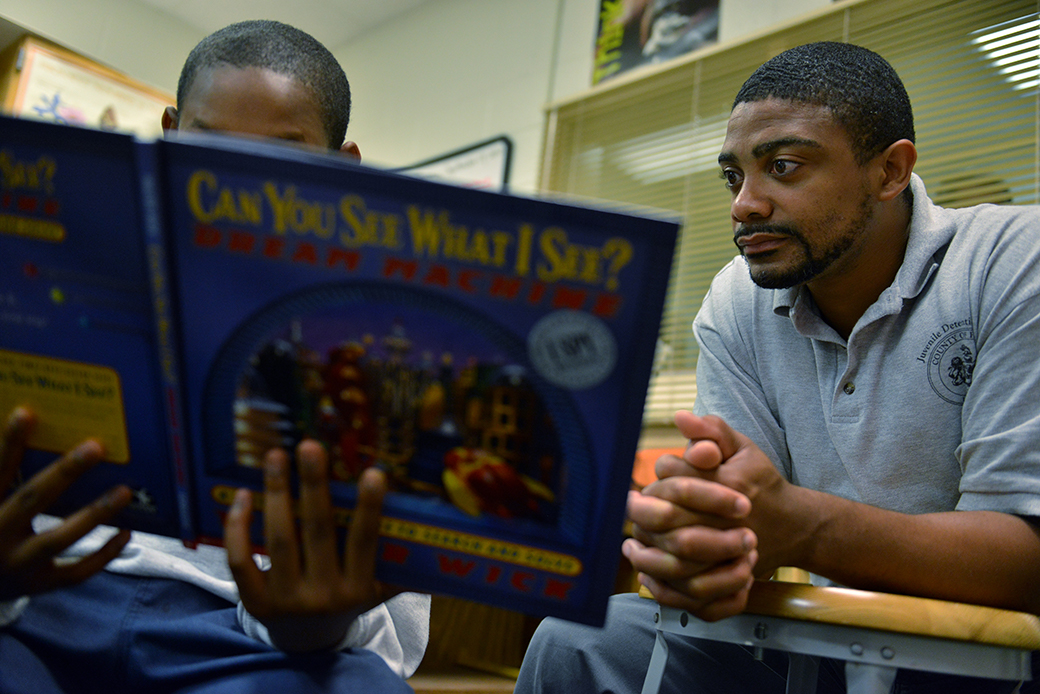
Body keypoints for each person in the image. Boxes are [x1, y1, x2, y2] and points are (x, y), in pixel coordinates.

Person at [515, 41, 1040, 694]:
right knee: (583, 637)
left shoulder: (1012, 261)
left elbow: (1026, 563)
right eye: (734, 177)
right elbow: (745, 535)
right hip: (823, 643)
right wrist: (691, 544)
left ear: (889, 171)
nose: (744, 205)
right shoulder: (738, 298)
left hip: (994, 654)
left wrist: (806, 526)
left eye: (783, 167)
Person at [0, 20, 428, 694]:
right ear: (170, 133)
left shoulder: (389, 349)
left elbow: (390, 639)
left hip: (239, 643)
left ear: (340, 168)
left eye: (281, 158)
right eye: (208, 149)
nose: (237, 192)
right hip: (39, 608)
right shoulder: (49, 277)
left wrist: (308, 628)